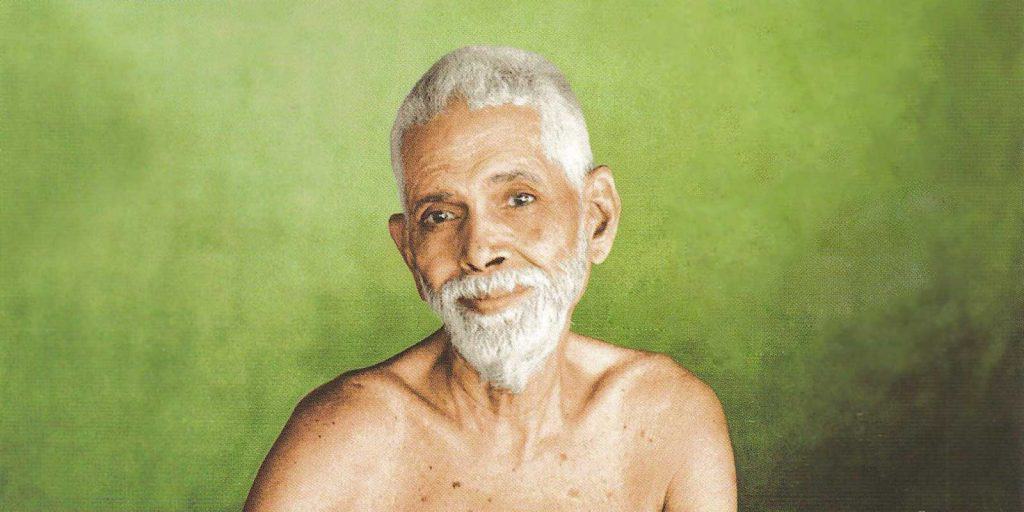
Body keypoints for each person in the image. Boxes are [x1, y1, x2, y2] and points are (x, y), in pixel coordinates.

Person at [245, 45, 737, 511]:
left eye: (519, 199)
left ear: (597, 218)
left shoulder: (671, 418)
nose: (479, 251)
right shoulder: (345, 439)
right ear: (409, 251)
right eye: (439, 216)